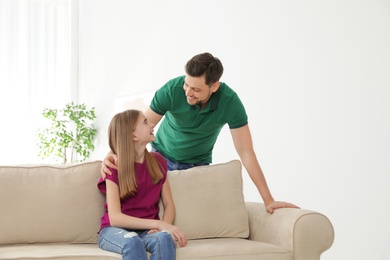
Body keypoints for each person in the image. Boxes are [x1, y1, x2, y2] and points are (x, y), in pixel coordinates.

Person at [102, 52, 299, 214]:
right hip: (159, 158)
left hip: (197, 164)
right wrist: (113, 153)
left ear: (214, 86)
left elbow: (246, 152)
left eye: (195, 89)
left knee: (190, 215)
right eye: (186, 84)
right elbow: (137, 130)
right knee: (153, 209)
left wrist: (268, 200)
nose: (187, 92)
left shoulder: (230, 103)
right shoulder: (171, 90)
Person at [97, 109, 187, 260]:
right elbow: (115, 218)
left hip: (146, 232)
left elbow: (169, 204)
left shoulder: (158, 161)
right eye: (145, 122)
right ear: (133, 135)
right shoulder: (114, 166)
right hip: (114, 230)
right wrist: (158, 224)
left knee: (165, 239)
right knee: (133, 242)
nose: (152, 124)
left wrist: (163, 226)